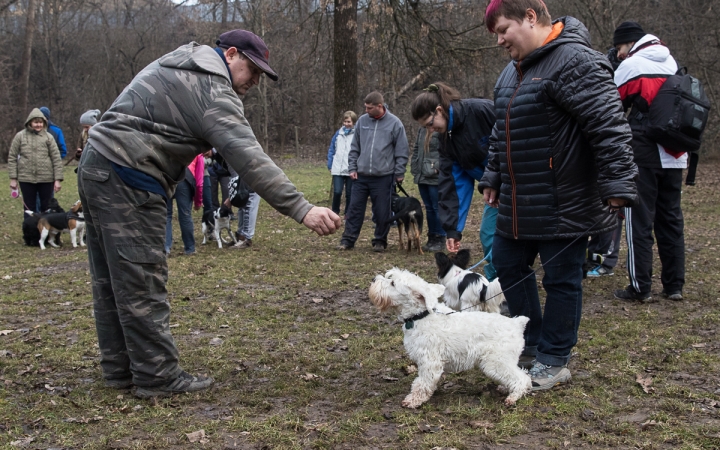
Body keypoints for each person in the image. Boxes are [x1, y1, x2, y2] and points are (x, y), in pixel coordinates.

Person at [77, 29, 340, 398]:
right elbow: (249, 157)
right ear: (230, 54)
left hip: (97, 164)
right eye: (252, 70)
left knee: (110, 277)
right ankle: (157, 377)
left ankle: (120, 369)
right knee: (140, 279)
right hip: (130, 173)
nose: (255, 82)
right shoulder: (212, 89)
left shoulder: (179, 61)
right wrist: (302, 208)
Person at [480, 0, 637, 391]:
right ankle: (530, 344)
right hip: (518, 200)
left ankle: (554, 358)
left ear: (530, 17)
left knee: (562, 279)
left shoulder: (576, 62)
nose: (499, 41)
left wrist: (617, 185)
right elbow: (501, 132)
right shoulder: (509, 74)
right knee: (507, 265)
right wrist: (493, 176)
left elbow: (609, 127)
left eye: (503, 31)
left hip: (565, 198)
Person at [611, 22, 687, 302]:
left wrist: (611, 71)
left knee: (638, 221)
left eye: (619, 48)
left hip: (644, 153)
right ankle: (674, 285)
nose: (618, 54)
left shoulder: (633, 66)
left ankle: (640, 286)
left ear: (630, 43)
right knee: (670, 220)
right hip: (676, 153)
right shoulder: (670, 60)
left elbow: (610, 103)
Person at [411, 83, 498, 279]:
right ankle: (499, 290)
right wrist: (453, 230)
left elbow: (514, 141)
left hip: (523, 184)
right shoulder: (446, 141)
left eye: (430, 124)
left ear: (439, 110)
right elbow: (455, 185)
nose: (431, 130)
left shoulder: (482, 111)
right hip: (495, 194)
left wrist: (499, 180)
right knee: (489, 236)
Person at [338, 92, 409, 252]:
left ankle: (380, 241)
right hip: (361, 176)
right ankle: (348, 239)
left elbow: (401, 150)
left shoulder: (395, 123)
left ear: (379, 106)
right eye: (365, 107)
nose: (366, 110)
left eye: (370, 108)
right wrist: (352, 167)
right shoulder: (362, 121)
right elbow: (355, 147)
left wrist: (399, 172)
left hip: (384, 176)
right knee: (354, 209)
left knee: (382, 211)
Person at [8, 108, 63, 217]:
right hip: (26, 178)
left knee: (46, 208)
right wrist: (13, 179)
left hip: (46, 179)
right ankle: (30, 232)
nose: (38, 125)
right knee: (29, 208)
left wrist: (57, 180)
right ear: (30, 122)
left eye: (40, 122)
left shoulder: (49, 137)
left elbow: (56, 158)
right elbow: (12, 157)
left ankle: (46, 232)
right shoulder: (20, 136)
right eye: (36, 122)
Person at [409, 127, 446, 252]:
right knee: (429, 208)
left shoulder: (441, 128)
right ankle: (431, 237)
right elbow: (416, 149)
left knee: (437, 208)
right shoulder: (421, 129)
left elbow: (448, 152)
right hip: (422, 176)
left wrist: (436, 168)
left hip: (435, 177)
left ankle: (440, 237)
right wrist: (415, 166)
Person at [165, 154, 204, 255]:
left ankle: (166, 248)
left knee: (166, 214)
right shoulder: (198, 153)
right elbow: (199, 183)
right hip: (185, 178)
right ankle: (190, 248)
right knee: (185, 215)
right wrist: (198, 202)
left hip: (168, 175)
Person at [327, 111, 357, 217]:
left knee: (349, 193)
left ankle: (348, 213)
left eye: (349, 121)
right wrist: (330, 164)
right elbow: (332, 149)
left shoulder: (356, 135)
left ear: (353, 122)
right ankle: (335, 212)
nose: (346, 124)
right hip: (337, 168)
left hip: (350, 169)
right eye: (345, 121)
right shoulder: (338, 134)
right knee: (337, 192)